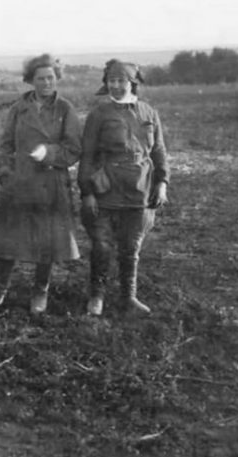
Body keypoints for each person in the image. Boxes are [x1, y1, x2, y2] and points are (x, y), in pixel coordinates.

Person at [0, 54, 81, 315]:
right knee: (8, 242)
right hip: (19, 182)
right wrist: (6, 170)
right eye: (40, 78)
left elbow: (74, 148)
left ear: (57, 79)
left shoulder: (65, 109)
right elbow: (6, 144)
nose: (46, 83)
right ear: (31, 80)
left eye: (51, 78)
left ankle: (40, 291)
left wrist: (50, 154)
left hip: (51, 182)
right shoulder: (18, 108)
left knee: (47, 242)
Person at [78, 59, 169, 316]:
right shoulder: (99, 114)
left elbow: (159, 151)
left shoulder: (149, 113)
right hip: (106, 190)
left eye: (122, 81)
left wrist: (162, 183)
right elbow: (87, 155)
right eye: (112, 81)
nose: (116, 86)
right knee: (102, 246)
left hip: (140, 191)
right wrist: (88, 193)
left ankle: (128, 297)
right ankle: (97, 296)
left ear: (133, 83)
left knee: (131, 247)